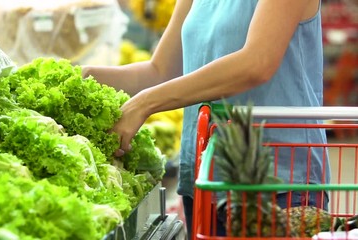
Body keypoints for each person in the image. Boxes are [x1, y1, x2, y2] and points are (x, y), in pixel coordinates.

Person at [82, 0, 329, 237]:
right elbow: (160, 71)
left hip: (275, 181)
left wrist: (144, 103)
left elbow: (257, 62)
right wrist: (83, 76)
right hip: (206, 179)